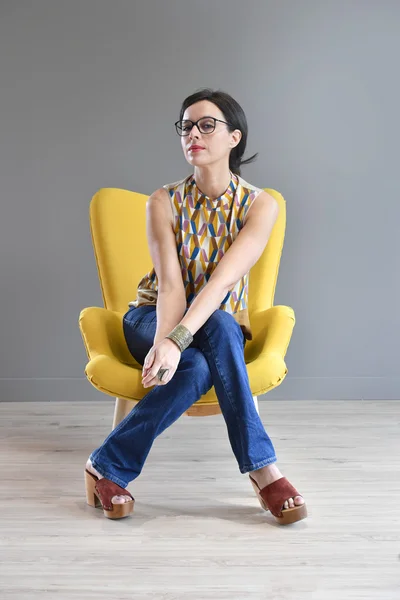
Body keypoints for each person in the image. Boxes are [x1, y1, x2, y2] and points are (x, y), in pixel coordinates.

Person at [84, 88, 307, 525]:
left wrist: (179, 342)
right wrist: (166, 340)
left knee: (213, 341)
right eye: (186, 126)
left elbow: (223, 281)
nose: (194, 134)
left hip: (212, 320)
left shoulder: (261, 205)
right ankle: (264, 471)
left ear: (234, 138)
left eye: (207, 125)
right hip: (150, 317)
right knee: (217, 330)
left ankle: (106, 465)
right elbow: (169, 284)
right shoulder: (163, 201)